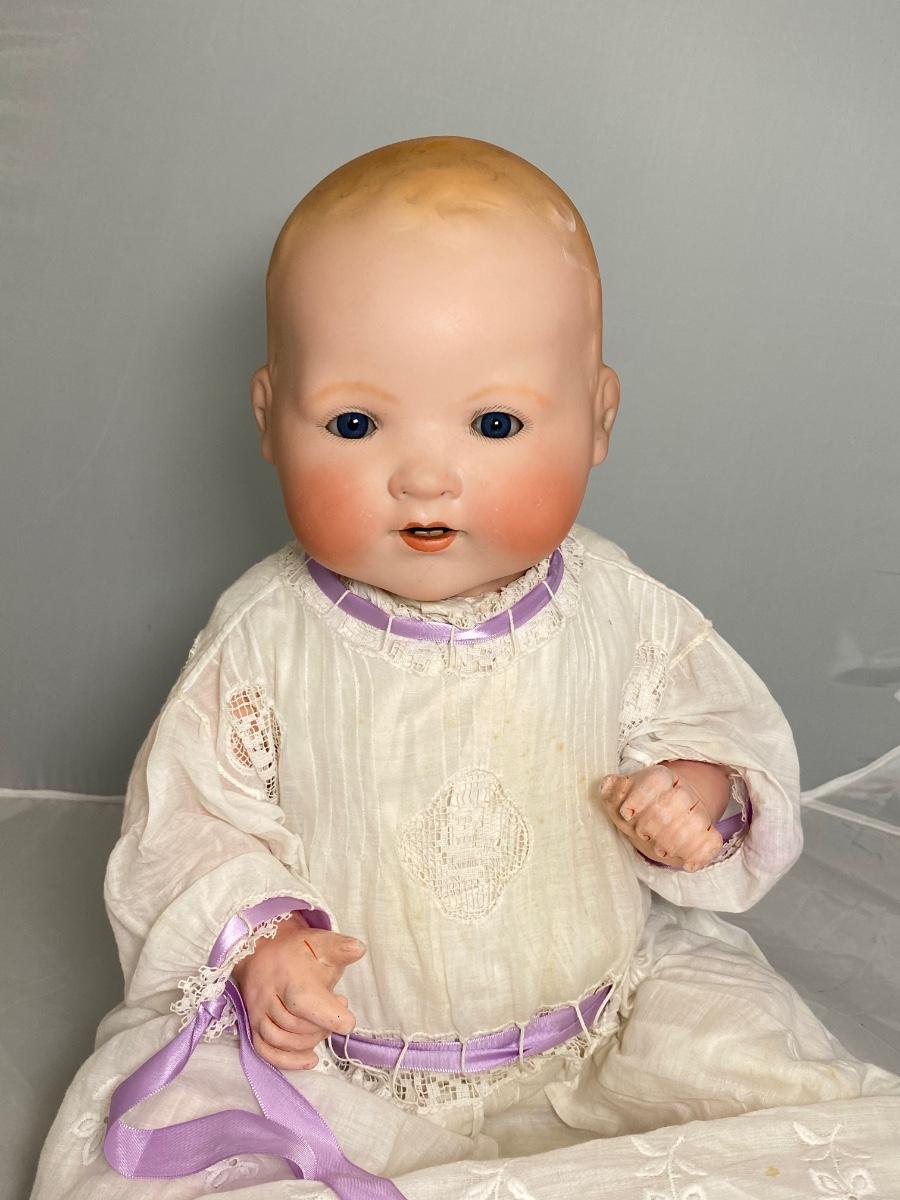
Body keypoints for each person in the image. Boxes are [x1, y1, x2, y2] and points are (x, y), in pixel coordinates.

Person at [30, 136, 900, 1199]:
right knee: (179, 1149)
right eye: (356, 422)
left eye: (494, 423)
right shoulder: (267, 633)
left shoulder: (613, 605)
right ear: (269, 417)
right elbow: (190, 819)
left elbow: (715, 725)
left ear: (599, 418)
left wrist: (695, 794)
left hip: (607, 1016)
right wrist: (268, 943)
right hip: (347, 1055)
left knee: (790, 1105)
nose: (427, 476)